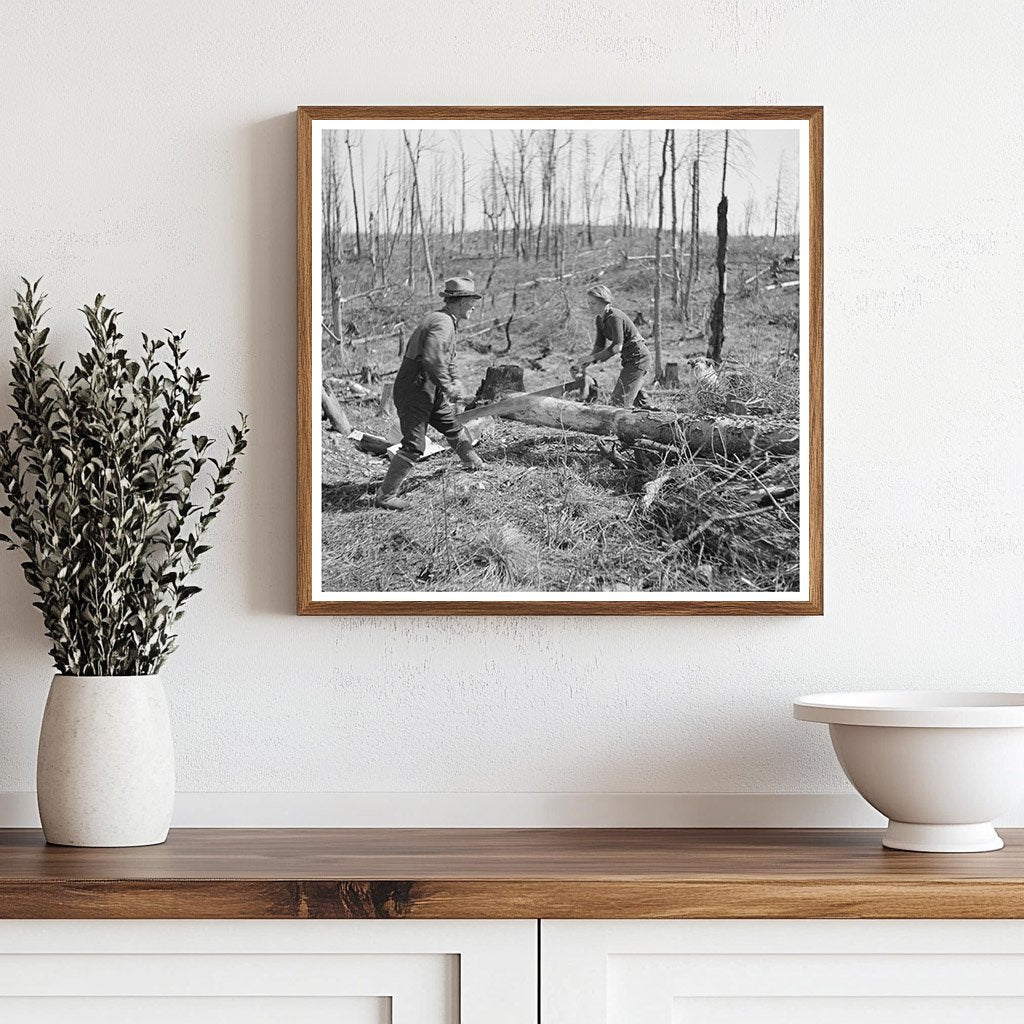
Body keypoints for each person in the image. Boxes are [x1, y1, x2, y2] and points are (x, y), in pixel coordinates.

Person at [374, 277, 485, 511]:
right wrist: (448, 385)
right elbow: (433, 359)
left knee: (452, 426)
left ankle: (472, 461)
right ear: (460, 301)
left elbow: (446, 358)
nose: (474, 305)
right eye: (471, 300)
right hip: (416, 388)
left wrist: (453, 380)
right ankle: (385, 495)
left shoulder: (447, 322)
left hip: (428, 387)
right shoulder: (443, 323)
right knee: (414, 446)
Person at [578, 284, 652, 408]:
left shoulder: (614, 317)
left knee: (618, 402)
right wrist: (589, 359)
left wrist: (593, 358)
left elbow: (617, 347)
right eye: (589, 303)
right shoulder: (599, 319)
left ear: (604, 302)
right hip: (628, 359)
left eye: (593, 303)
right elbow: (599, 345)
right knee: (640, 402)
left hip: (638, 358)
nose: (590, 306)